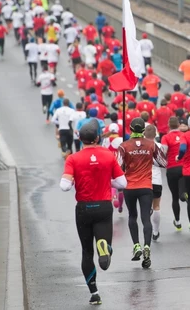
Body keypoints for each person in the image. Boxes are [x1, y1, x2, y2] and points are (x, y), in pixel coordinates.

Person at [60, 119, 127, 305]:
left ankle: (94, 292)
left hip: (84, 208)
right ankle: (105, 246)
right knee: (104, 242)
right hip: (104, 206)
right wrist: (108, 181)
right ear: (98, 137)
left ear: (80, 139)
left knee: (86, 252)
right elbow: (123, 184)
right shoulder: (108, 156)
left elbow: (64, 186)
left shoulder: (73, 159)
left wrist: (73, 181)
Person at [116, 118, 167, 269]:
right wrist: (149, 159)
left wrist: (126, 164)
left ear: (130, 129)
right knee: (146, 217)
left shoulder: (123, 146)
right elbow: (163, 163)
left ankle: (136, 245)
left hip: (129, 186)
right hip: (146, 186)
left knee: (132, 216)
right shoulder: (151, 144)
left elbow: (118, 166)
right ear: (143, 131)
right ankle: (147, 247)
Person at [161, 117, 187, 231]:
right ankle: (184, 194)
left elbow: (163, 152)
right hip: (184, 167)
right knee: (182, 187)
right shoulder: (184, 135)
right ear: (178, 125)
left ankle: (178, 221)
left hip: (171, 168)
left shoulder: (165, 137)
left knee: (174, 197)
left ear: (168, 125)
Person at [144, 124, 166, 241]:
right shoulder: (160, 146)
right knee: (157, 206)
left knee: (145, 206)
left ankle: (146, 229)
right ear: (155, 134)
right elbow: (164, 163)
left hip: (143, 180)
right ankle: (155, 231)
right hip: (156, 180)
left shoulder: (140, 146)